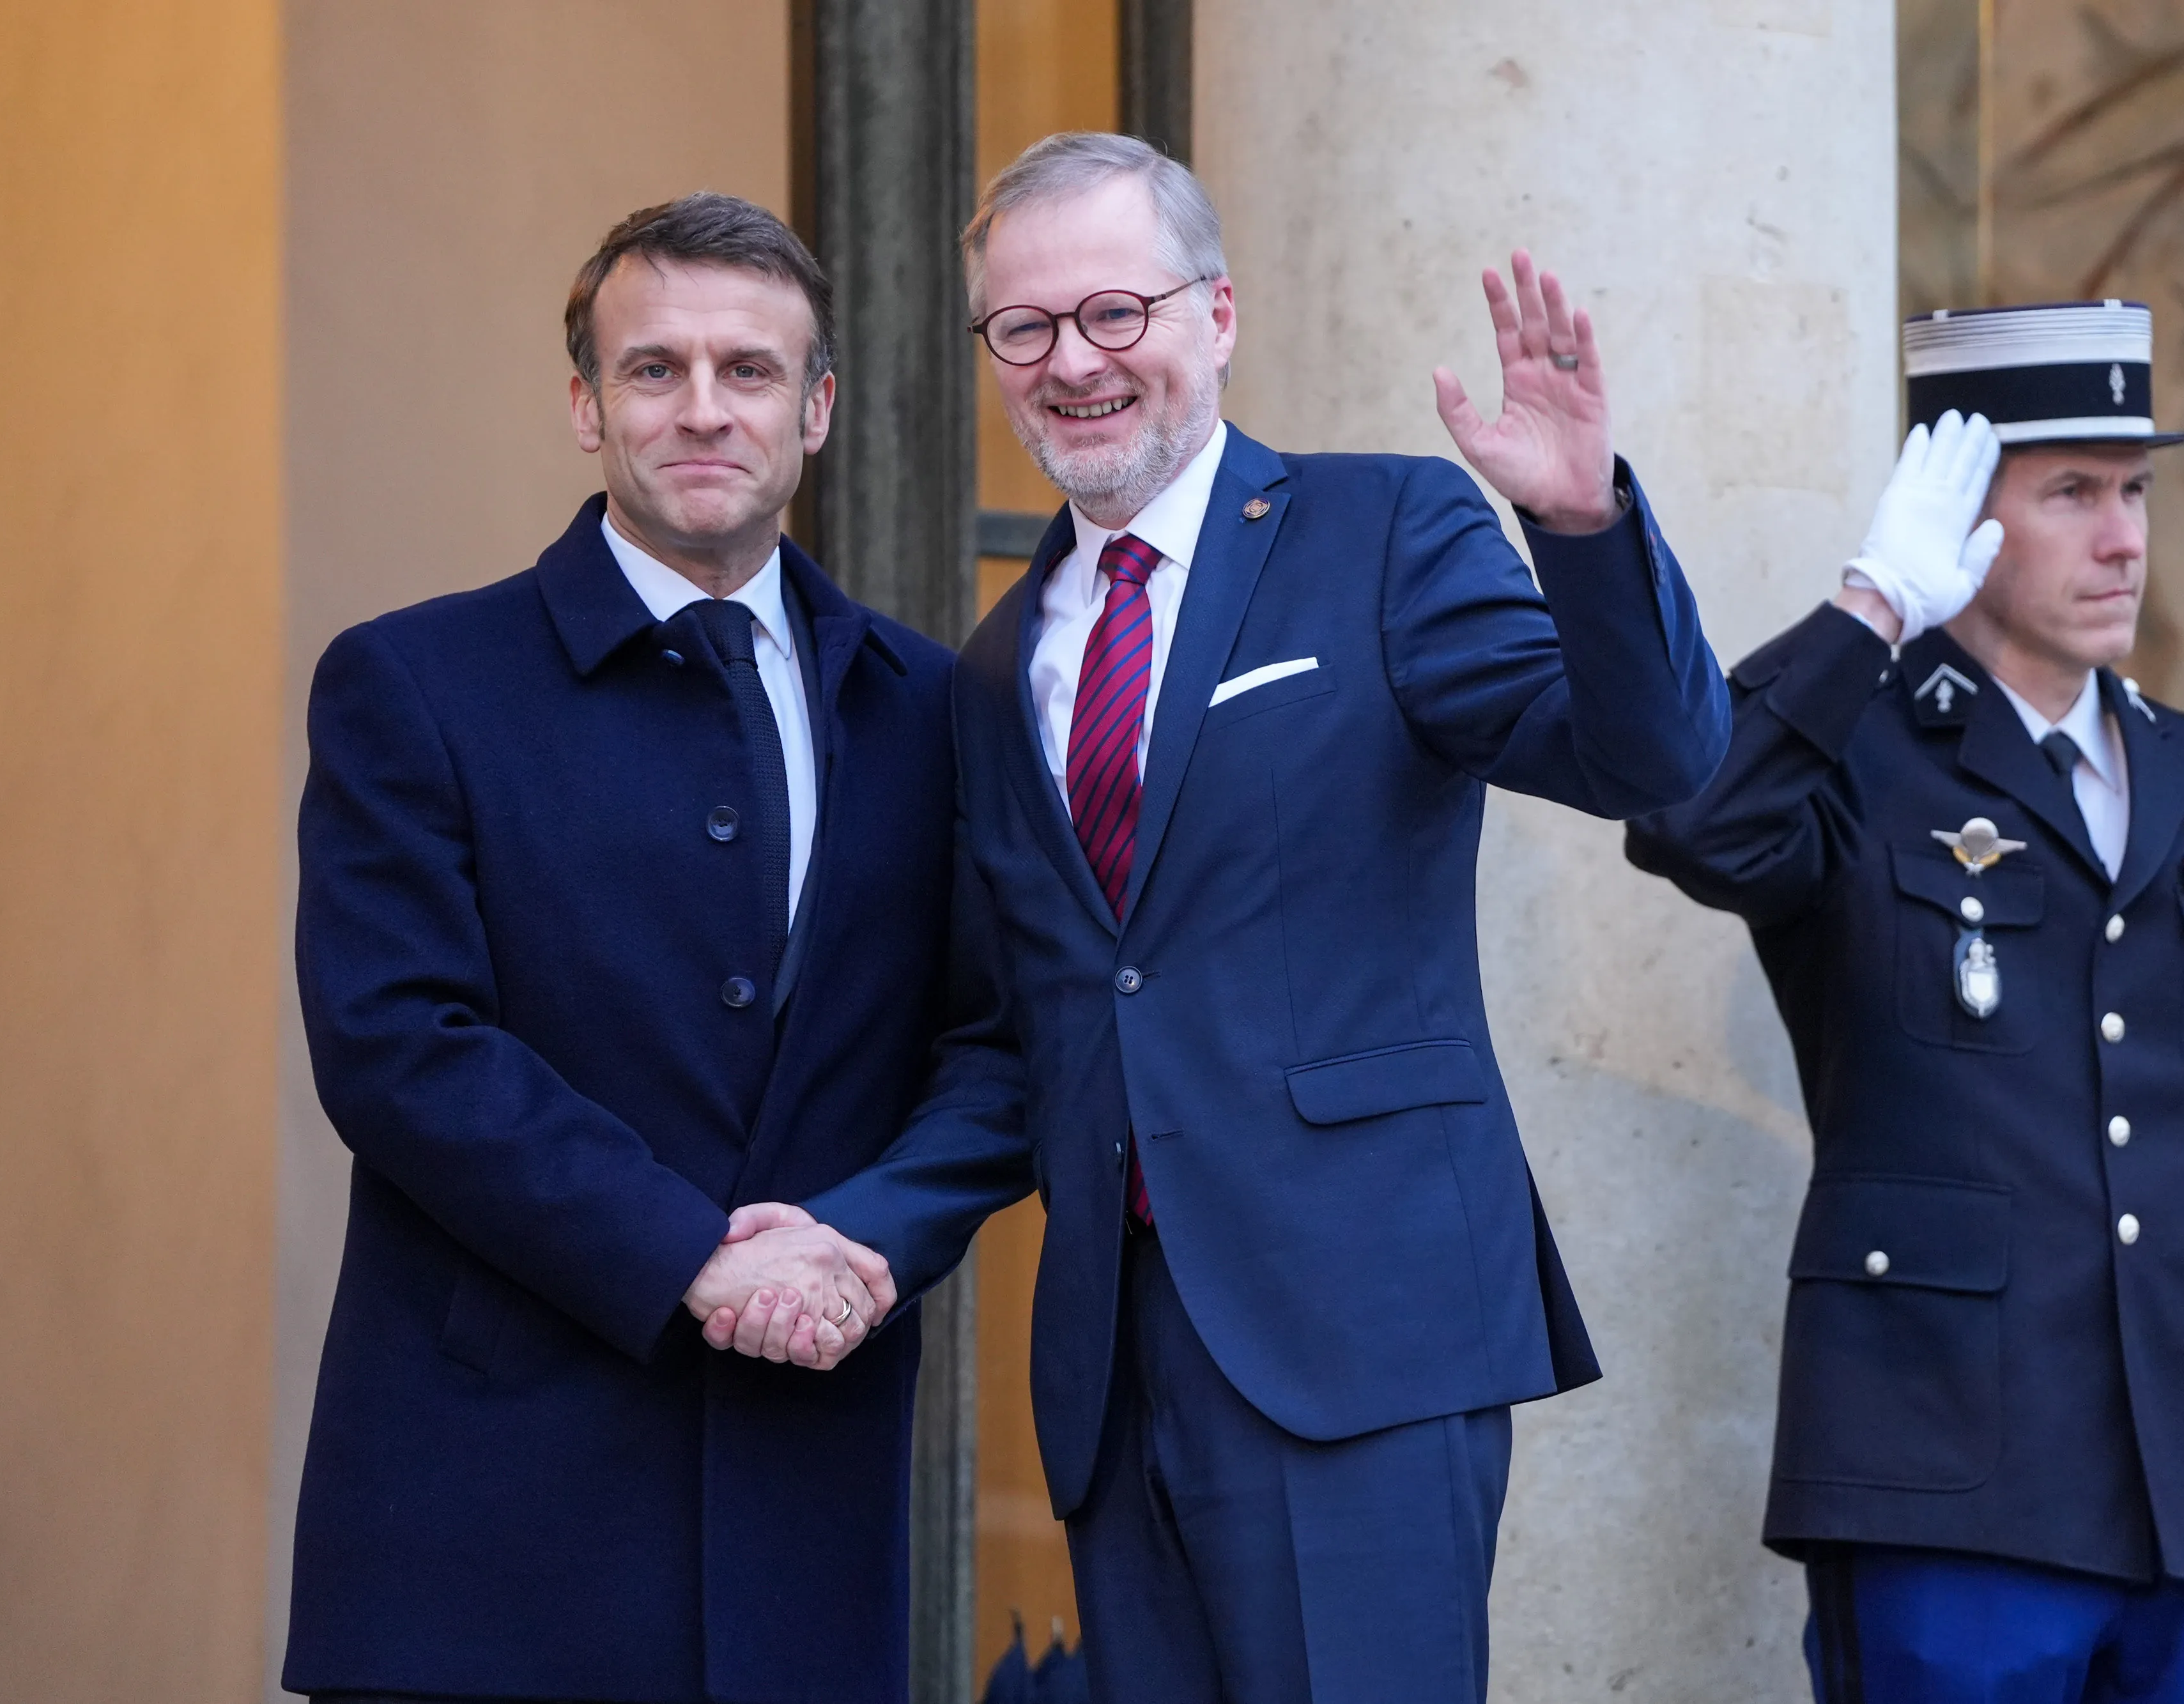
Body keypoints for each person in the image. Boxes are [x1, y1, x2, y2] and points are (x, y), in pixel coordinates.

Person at [709, 132, 1730, 1702]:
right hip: (1121, 1374)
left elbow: (1646, 760)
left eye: (1116, 312)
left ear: (1218, 315)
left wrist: (1581, 531)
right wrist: (862, 1230)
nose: (1074, 363)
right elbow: (1017, 1044)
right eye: (1025, 329)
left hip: (1362, 1346)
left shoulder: (1380, 535)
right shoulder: (994, 666)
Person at [1624, 301, 2184, 1703]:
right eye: (2069, 492)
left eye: (2132, 491)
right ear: (1959, 509)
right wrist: (1870, 607)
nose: (2122, 536)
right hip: (1942, 1489)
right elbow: (1689, 823)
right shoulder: (1860, 754)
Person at [285, 193, 948, 1704]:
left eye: (750, 369)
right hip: (482, 1520)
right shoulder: (413, 681)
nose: (702, 408)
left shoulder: (922, 703)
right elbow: (398, 1045)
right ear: (584, 404)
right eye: (653, 369)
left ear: (819, 407)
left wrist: (863, 1242)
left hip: (808, 1500)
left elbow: (984, 1050)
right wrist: (686, 1259)